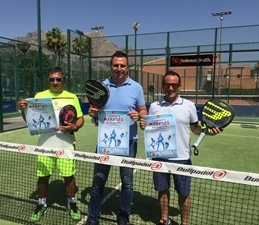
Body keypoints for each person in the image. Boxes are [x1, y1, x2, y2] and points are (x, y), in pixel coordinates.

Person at [140, 70, 223, 225]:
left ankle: (185, 222)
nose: (170, 88)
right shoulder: (154, 106)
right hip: (160, 157)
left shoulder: (189, 106)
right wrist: (143, 125)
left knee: (184, 193)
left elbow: (195, 128)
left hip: (182, 159)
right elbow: (150, 129)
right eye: (167, 84)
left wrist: (208, 131)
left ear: (179, 86)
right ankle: (164, 219)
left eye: (174, 85)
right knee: (162, 190)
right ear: (163, 85)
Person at [86, 51, 147, 225]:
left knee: (127, 183)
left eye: (122, 65)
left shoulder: (136, 87)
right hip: (104, 144)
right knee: (98, 182)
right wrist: (92, 113)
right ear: (111, 66)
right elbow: (94, 112)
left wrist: (139, 115)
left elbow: (143, 110)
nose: (119, 69)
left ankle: (123, 216)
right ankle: (93, 218)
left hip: (129, 143)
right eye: (116, 65)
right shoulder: (102, 86)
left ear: (127, 67)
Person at [18, 67, 84, 222]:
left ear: (64, 80)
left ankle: (72, 204)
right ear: (48, 80)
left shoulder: (72, 97)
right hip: (45, 146)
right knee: (43, 177)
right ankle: (41, 204)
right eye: (52, 79)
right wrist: (23, 110)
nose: (55, 82)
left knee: (68, 176)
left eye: (59, 79)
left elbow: (80, 118)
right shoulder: (39, 97)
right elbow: (31, 121)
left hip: (66, 146)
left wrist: (75, 127)